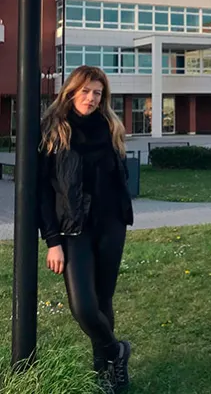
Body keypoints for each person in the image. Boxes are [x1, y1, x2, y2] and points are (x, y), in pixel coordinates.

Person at [38, 65, 134, 392]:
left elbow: (118, 175)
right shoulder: (54, 129)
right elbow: (43, 191)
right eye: (85, 91)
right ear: (71, 91)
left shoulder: (111, 126)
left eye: (97, 93)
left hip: (111, 225)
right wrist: (52, 240)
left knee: (104, 300)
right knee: (84, 308)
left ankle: (104, 374)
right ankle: (117, 351)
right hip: (73, 229)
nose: (91, 98)